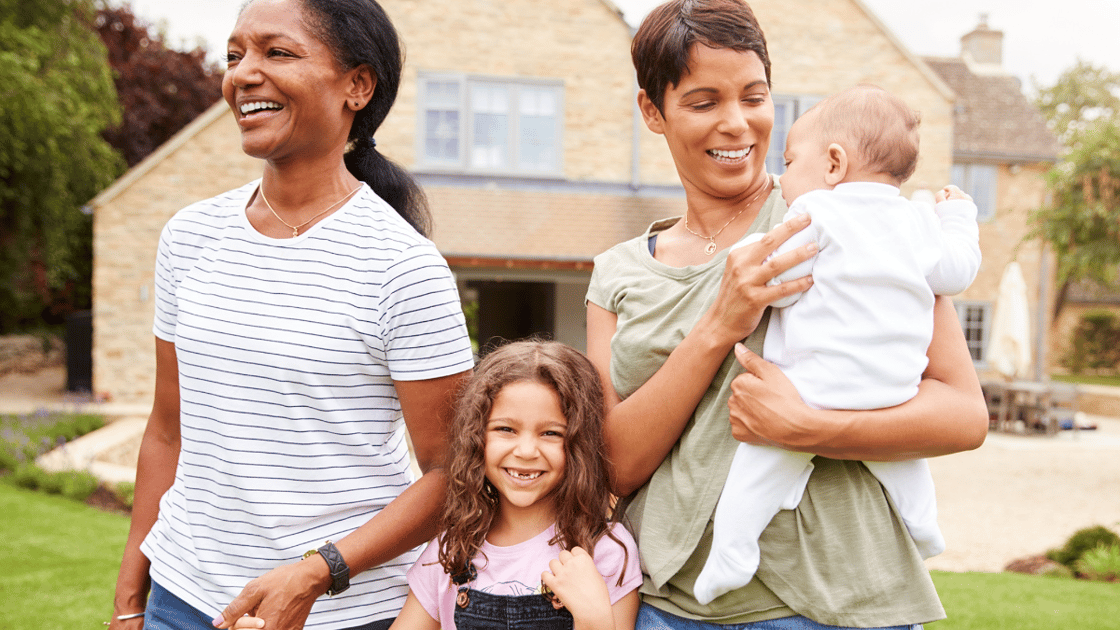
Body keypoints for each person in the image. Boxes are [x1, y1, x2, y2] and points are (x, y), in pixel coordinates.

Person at [584, 1, 989, 628]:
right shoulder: (618, 272)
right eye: (702, 102)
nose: (737, 124)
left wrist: (810, 428)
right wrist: (721, 322)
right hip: (668, 606)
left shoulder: (847, 211)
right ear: (652, 111)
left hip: (838, 602)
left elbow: (962, 416)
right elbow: (614, 464)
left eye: (754, 96)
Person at [107, 1, 475, 629]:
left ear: (357, 86)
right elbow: (168, 428)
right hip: (184, 597)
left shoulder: (403, 268)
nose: (243, 74)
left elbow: (454, 474)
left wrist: (318, 571)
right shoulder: (189, 237)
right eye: (234, 56)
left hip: (338, 611)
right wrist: (130, 593)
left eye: (277, 53)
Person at [694, 85, 983, 604]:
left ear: (833, 163)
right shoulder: (918, 221)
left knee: (755, 470)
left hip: (815, 389)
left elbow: (773, 274)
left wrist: (738, 252)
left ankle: (731, 555)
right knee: (901, 461)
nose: (782, 180)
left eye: (789, 162)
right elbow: (956, 272)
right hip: (895, 390)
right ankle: (924, 527)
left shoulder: (816, 216)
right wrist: (959, 218)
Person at [388, 340, 642, 630]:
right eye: (505, 429)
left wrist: (594, 619)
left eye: (550, 433)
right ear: (476, 437)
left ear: (580, 444)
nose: (525, 451)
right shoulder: (450, 551)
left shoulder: (607, 551)